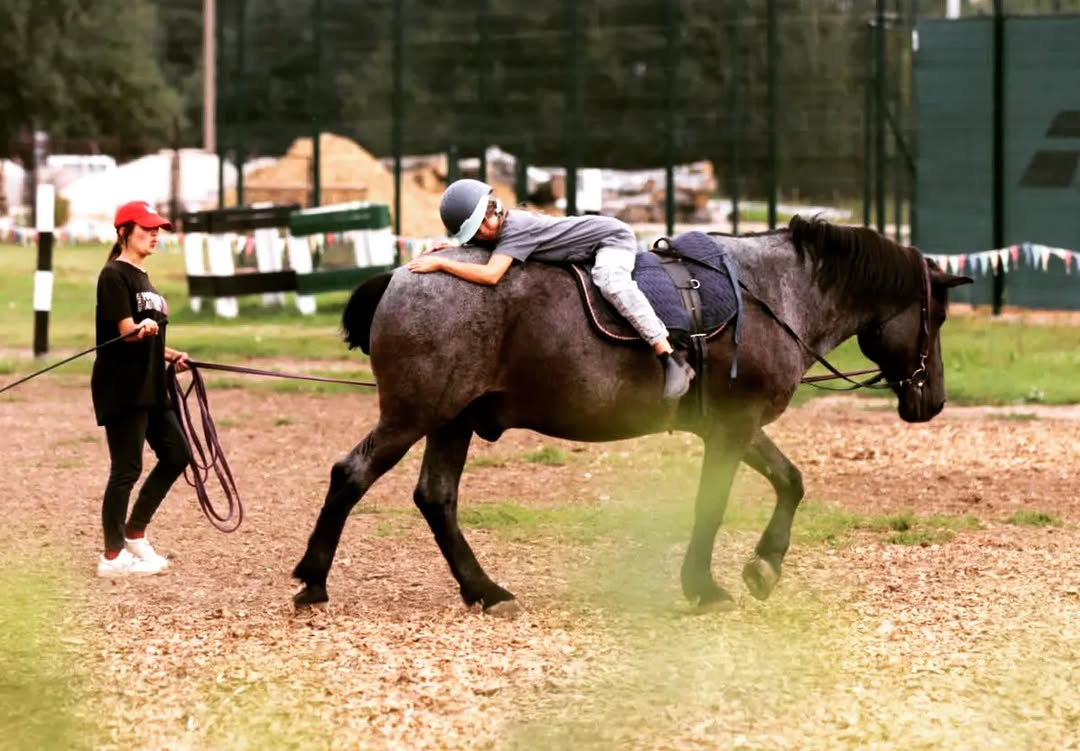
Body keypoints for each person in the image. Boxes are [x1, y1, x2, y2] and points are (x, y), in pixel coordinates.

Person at [407, 179, 695, 400]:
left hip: (611, 238)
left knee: (611, 283)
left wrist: (442, 264)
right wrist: (452, 247)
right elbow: (483, 245)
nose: (482, 233)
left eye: (483, 225)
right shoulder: (499, 227)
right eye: (475, 233)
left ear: (493, 209)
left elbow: (491, 274)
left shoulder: (515, 228)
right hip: (586, 244)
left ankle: (670, 357)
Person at [91, 201, 193, 578]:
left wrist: (169, 354)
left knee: (177, 454)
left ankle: (135, 533)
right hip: (122, 385)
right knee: (127, 468)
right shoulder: (113, 275)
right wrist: (140, 329)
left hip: (151, 384)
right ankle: (112, 557)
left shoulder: (144, 278)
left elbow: (147, 334)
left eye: (157, 230)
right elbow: (125, 331)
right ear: (123, 232)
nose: (154, 235)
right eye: (147, 229)